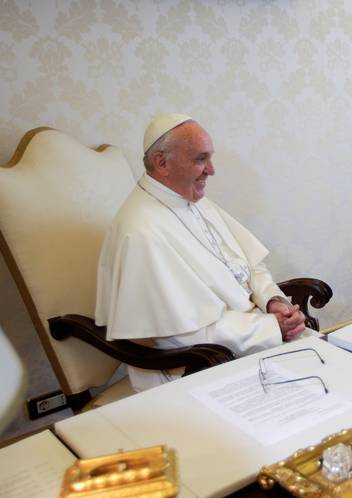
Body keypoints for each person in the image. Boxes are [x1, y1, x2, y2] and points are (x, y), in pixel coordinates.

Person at [95, 114, 306, 391]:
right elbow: (180, 336)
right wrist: (271, 328)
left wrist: (273, 301)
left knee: (338, 371)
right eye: (200, 159)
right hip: (196, 366)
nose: (211, 170)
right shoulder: (140, 231)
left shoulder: (191, 199)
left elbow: (246, 266)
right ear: (162, 163)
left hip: (251, 338)